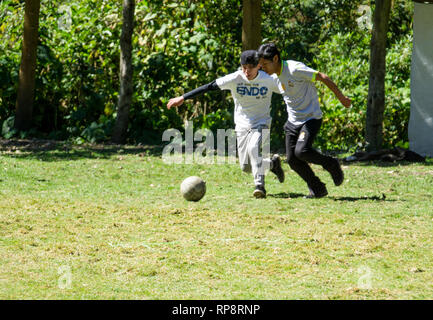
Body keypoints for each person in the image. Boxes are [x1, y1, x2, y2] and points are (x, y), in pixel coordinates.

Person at [167, 50, 284, 198]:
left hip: (261, 122)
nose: (246, 71)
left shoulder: (269, 79)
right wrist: (183, 97)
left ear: (259, 66)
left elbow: (289, 90)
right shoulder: (235, 78)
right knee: (246, 167)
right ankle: (273, 163)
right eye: (244, 67)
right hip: (242, 125)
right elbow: (210, 86)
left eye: (250, 67)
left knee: (254, 148)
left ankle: (259, 186)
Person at [258, 43, 352, 198]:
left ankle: (331, 164)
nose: (263, 68)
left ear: (275, 59)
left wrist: (341, 97)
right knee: (292, 160)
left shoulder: (294, 68)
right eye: (261, 65)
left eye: (265, 64)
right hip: (293, 121)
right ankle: (318, 188)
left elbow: (322, 77)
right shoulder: (274, 77)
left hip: (311, 118)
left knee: (302, 151)